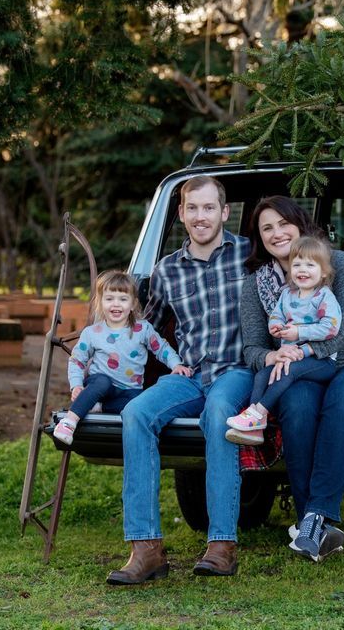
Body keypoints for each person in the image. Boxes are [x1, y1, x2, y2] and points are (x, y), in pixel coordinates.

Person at [107, 176, 253, 585]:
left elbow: (302, 286)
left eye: (209, 208)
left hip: (237, 370)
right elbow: (143, 328)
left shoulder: (250, 255)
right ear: (181, 214)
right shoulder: (166, 269)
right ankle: (146, 549)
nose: (200, 216)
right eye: (192, 209)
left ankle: (222, 544)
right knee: (136, 412)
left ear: (225, 212)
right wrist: (102, 352)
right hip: (189, 373)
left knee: (221, 413)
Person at [240, 196, 344, 562]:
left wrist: (307, 350)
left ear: (300, 224)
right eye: (267, 228)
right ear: (259, 238)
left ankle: (313, 516)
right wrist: (273, 355)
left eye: (283, 224)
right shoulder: (255, 285)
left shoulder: (337, 263)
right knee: (297, 403)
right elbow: (253, 348)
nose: (277, 233)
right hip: (297, 372)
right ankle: (313, 529)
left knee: (343, 395)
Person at [226, 235, 342, 446]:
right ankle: (255, 429)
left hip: (322, 361)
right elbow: (277, 315)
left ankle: (258, 412)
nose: (302, 270)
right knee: (262, 375)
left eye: (310, 264)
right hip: (290, 358)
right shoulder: (288, 294)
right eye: (297, 264)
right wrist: (275, 326)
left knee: (288, 371)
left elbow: (331, 327)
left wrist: (298, 333)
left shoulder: (324, 296)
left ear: (323, 271)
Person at [55, 271, 193, 446]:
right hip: (100, 385)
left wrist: (176, 364)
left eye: (122, 299)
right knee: (102, 382)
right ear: (100, 302)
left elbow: (162, 348)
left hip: (129, 390)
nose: (116, 304)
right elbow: (77, 360)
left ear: (133, 303)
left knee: (139, 403)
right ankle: (69, 422)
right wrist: (76, 384)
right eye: (109, 298)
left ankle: (98, 407)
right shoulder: (92, 333)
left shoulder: (143, 329)